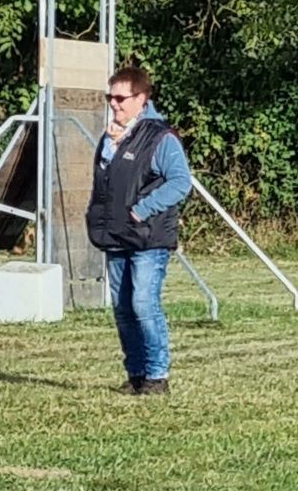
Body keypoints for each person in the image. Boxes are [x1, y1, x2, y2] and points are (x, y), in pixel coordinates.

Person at [86, 66, 192, 395]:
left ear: (141, 99)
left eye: (121, 98)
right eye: (110, 97)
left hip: (148, 237)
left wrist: (142, 209)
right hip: (115, 236)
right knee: (123, 309)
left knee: (144, 304)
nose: (114, 104)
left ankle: (157, 376)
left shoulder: (161, 138)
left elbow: (180, 182)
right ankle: (136, 374)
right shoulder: (109, 138)